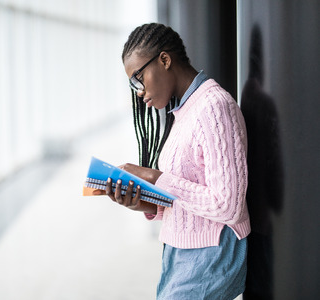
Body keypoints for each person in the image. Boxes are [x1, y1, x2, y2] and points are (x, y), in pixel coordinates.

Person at [104, 23, 250, 299]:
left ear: (165, 60)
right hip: (180, 253)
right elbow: (186, 197)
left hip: (210, 254)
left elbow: (228, 205)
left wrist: (154, 177)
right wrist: (142, 203)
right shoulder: (185, 110)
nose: (138, 91)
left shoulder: (214, 106)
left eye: (138, 77)